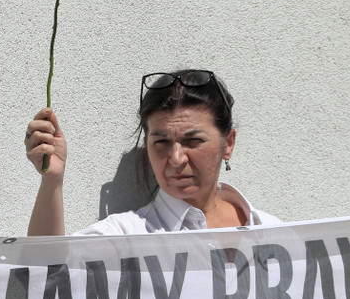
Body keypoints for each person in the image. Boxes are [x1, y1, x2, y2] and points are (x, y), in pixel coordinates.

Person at [24, 69, 279, 234]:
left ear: (229, 143)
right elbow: (48, 278)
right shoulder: (126, 237)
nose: (177, 159)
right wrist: (52, 181)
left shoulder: (275, 232)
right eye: (161, 142)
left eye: (193, 141)